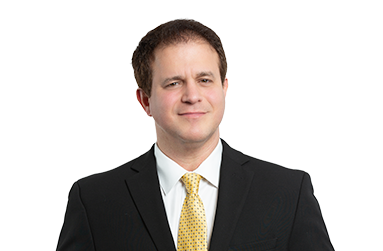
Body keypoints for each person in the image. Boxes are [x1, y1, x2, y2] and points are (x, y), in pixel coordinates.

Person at [57, 18, 334, 251]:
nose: (192, 96)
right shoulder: (93, 200)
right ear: (145, 101)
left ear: (225, 88)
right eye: (174, 83)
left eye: (204, 80)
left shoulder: (288, 190)